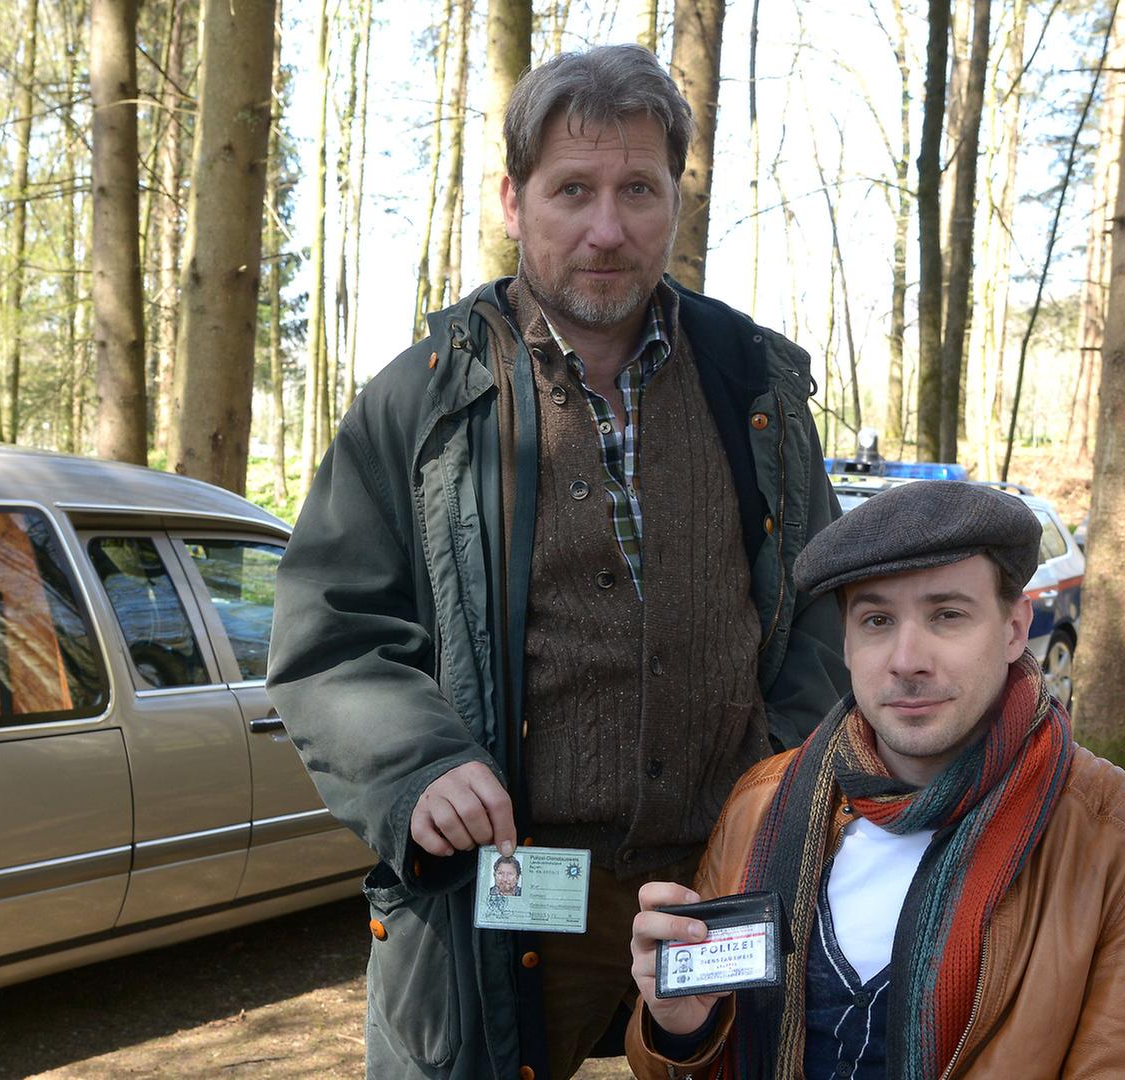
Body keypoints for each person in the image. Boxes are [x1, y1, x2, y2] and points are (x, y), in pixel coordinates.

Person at [266, 43, 848, 1080]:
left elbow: (827, 605)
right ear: (513, 199)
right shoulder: (423, 404)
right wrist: (415, 764)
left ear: (677, 199)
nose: (606, 229)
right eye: (572, 190)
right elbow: (332, 636)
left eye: (639, 190)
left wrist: (780, 778)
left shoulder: (754, 386)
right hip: (506, 893)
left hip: (720, 878)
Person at [625, 481, 1125, 1078]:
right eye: (877, 620)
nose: (907, 660)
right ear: (846, 642)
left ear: (1014, 629)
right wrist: (684, 1032)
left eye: (947, 615)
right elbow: (677, 1063)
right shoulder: (762, 802)